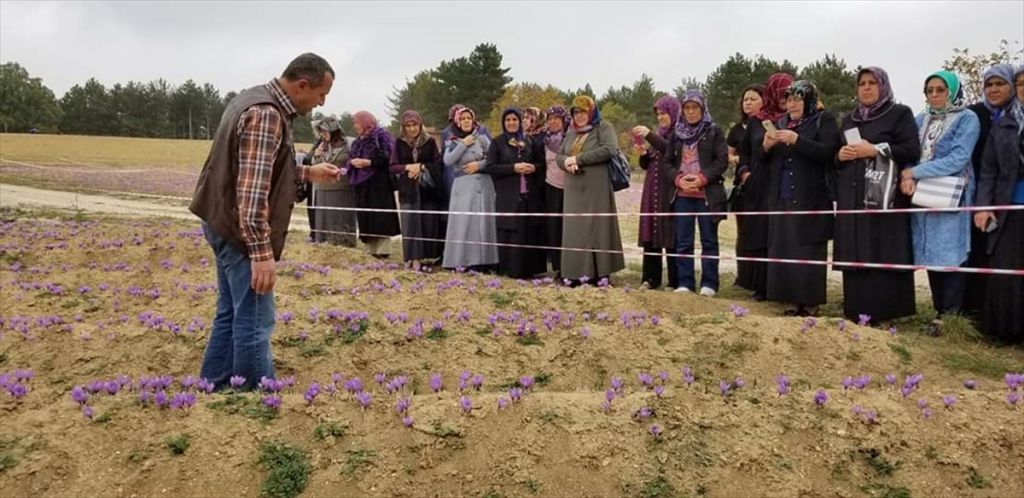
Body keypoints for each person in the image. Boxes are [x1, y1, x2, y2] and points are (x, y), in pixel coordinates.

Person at [189, 53, 341, 389]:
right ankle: (254, 397)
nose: (321, 103)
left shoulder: (252, 98)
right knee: (256, 318)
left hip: (221, 219)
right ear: (302, 85)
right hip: (240, 230)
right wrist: (260, 253)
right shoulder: (267, 115)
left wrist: (307, 172)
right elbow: (252, 191)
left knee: (231, 311)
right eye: (321, 94)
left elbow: (257, 167)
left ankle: (213, 385)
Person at [834, 67, 921, 324]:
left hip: (884, 195)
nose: (867, 88)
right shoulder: (850, 119)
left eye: (873, 83)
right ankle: (856, 310)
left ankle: (885, 311)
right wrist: (840, 155)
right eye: (862, 83)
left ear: (883, 86)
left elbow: (910, 149)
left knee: (882, 248)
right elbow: (836, 153)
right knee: (856, 249)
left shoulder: (899, 114)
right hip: (852, 194)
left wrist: (874, 150)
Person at [901, 70, 980, 333]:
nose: (934, 95)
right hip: (924, 194)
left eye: (940, 90)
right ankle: (938, 311)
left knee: (952, 251)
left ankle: (951, 313)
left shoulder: (967, 118)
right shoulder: (922, 118)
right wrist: (908, 175)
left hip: (953, 191)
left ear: (953, 91)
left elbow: (959, 158)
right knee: (930, 251)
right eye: (929, 90)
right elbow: (912, 151)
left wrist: (915, 172)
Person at [763, 80, 838, 316]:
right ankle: (790, 299)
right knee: (785, 246)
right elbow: (765, 159)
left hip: (811, 194)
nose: (792, 104)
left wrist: (797, 140)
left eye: (797, 99)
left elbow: (828, 152)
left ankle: (810, 301)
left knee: (807, 248)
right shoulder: (782, 122)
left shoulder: (822, 120)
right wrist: (766, 144)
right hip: (783, 193)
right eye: (789, 99)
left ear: (809, 100)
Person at [972, 64, 1023, 344]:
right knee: (1005, 267)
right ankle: (1006, 331)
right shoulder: (1004, 123)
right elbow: (988, 170)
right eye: (1022, 83)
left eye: (1000, 84)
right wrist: (982, 206)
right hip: (1009, 206)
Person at [735, 73, 794, 300]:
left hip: (783, 186)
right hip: (758, 186)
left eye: (788, 94)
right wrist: (745, 174)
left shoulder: (795, 119)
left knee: (782, 234)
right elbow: (745, 154)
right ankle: (760, 287)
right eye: (780, 94)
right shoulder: (756, 120)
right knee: (759, 235)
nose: (784, 98)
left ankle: (782, 286)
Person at [556, 95, 625, 283]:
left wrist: (578, 159)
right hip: (573, 188)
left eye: (583, 111)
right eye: (575, 112)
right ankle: (575, 274)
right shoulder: (570, 132)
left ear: (592, 111)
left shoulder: (603, 128)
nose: (579, 116)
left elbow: (608, 149)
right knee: (575, 230)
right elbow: (560, 155)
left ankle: (601, 274)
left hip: (596, 187)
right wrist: (566, 163)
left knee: (598, 228)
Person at [668, 90, 728, 296]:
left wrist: (703, 179)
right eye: (687, 108)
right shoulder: (676, 133)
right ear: (682, 110)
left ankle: (709, 284)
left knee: (709, 240)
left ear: (703, 109)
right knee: (683, 241)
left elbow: (722, 160)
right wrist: (678, 179)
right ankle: (685, 283)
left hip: (707, 196)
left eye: (695, 108)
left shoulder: (714, 131)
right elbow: (668, 163)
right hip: (682, 195)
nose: (691, 112)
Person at [486, 108, 547, 278]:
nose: (511, 123)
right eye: (508, 120)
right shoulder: (497, 143)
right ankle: (510, 269)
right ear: (503, 123)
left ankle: (530, 270)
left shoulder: (529, 141)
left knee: (528, 231)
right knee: (510, 232)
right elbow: (490, 167)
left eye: (514, 119)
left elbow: (541, 163)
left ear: (520, 122)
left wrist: (533, 167)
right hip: (508, 196)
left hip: (529, 196)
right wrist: (513, 168)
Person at [631, 95, 681, 290]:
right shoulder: (659, 134)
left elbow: (671, 152)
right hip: (652, 188)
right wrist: (643, 154)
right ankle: (650, 278)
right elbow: (648, 163)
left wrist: (650, 135)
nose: (661, 117)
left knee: (669, 232)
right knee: (650, 231)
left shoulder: (679, 133)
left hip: (669, 188)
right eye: (658, 114)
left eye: (664, 113)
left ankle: (675, 280)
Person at [442, 107, 499, 270]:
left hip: (484, 185)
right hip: (463, 187)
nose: (467, 121)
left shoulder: (482, 138)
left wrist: (479, 164)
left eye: (469, 118)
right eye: (463, 118)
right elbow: (448, 160)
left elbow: (494, 157)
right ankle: (461, 260)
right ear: (458, 121)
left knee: (482, 223)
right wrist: (463, 144)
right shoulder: (452, 140)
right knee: (465, 223)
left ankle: (484, 261)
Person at [389, 110, 446, 269]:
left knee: (427, 223)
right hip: (408, 190)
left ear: (420, 125)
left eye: (414, 125)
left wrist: (421, 167)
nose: (412, 129)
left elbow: (438, 164)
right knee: (410, 224)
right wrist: (408, 167)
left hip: (427, 190)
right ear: (404, 127)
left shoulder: (429, 142)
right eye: (408, 125)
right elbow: (393, 166)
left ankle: (427, 258)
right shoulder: (399, 143)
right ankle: (413, 259)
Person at [347, 110, 401, 258]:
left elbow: (389, 157)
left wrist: (369, 162)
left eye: (357, 122)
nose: (355, 125)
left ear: (365, 122)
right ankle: (372, 251)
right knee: (368, 217)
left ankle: (382, 251)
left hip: (379, 185)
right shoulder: (358, 141)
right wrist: (352, 162)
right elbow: (350, 156)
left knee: (380, 217)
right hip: (363, 185)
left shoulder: (381, 136)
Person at [310, 116, 357, 246]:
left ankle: (344, 244)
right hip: (322, 188)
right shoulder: (321, 146)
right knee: (324, 218)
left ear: (333, 130)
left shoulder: (349, 144)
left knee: (341, 217)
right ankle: (324, 244)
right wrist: (316, 155)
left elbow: (353, 162)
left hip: (342, 188)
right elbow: (315, 166)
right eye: (321, 132)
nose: (323, 135)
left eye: (325, 132)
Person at [543, 105, 571, 276]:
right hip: (551, 187)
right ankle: (558, 267)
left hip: (570, 189)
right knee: (553, 229)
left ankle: (570, 266)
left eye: (556, 118)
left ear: (564, 120)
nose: (552, 122)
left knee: (568, 229)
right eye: (550, 119)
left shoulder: (571, 138)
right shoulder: (545, 140)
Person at [727, 85, 765, 172]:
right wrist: (735, 159)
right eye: (745, 100)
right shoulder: (736, 129)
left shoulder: (769, 125)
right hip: (743, 175)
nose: (748, 103)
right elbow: (728, 154)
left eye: (753, 99)